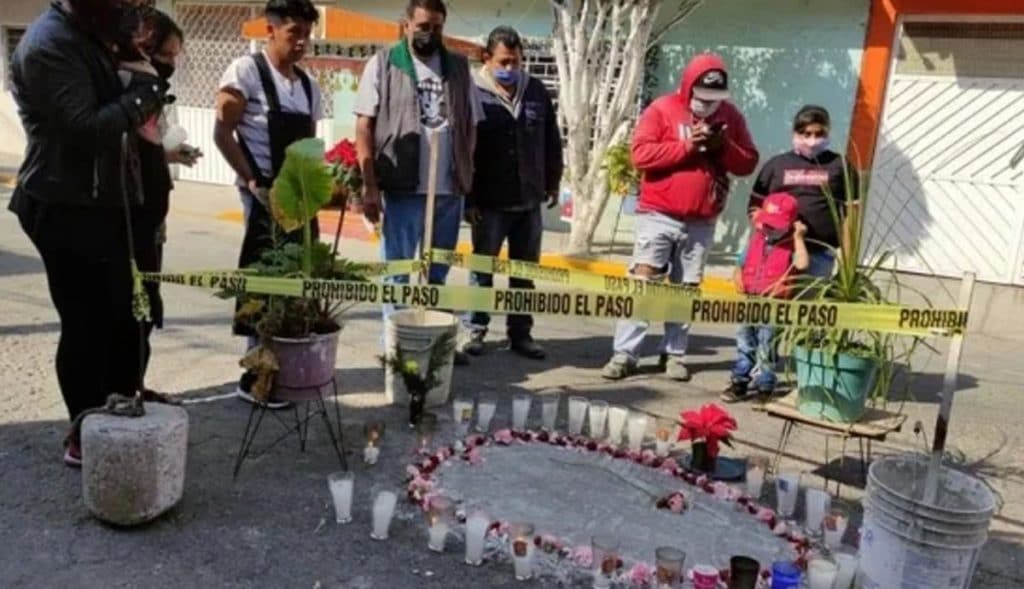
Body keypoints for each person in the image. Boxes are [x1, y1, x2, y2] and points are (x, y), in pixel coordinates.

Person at [8, 0, 170, 466]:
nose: (129, 6)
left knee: (127, 314)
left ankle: (119, 404)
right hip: (64, 205)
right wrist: (144, 95)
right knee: (86, 324)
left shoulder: (92, 31)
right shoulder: (48, 44)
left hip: (107, 201)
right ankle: (85, 430)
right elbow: (85, 128)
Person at [601, 53, 759, 382]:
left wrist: (721, 146)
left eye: (714, 100)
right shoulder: (662, 109)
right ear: (688, 88)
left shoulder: (731, 116)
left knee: (685, 290)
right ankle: (625, 353)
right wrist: (688, 145)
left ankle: (673, 354)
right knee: (643, 284)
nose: (707, 105)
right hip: (658, 214)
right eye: (702, 98)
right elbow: (641, 155)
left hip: (701, 221)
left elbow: (747, 162)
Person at [353, 0, 483, 363]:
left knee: (437, 272)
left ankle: (435, 340)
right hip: (403, 186)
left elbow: (471, 123)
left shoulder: (458, 66)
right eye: (424, 25)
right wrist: (370, 184)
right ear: (406, 24)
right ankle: (396, 345)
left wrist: (464, 166)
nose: (430, 34)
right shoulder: (383, 63)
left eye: (437, 27)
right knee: (398, 272)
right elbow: (365, 126)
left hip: (448, 188)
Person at [214, 0, 323, 407]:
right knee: (261, 283)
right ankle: (253, 376)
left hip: (300, 200)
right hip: (263, 196)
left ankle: (286, 368)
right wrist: (252, 179)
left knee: (297, 283)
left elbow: (309, 146)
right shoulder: (246, 72)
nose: (301, 42)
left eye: (307, 34)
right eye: (294, 32)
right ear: (270, 30)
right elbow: (222, 133)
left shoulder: (308, 86)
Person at [460, 26, 563, 360]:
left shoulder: (535, 90)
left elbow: (551, 138)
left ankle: (521, 335)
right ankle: (475, 331)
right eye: (504, 61)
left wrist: (553, 179)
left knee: (524, 275)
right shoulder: (472, 92)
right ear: (487, 59)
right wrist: (468, 199)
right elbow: (464, 150)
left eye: (517, 61)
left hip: (529, 199)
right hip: (488, 202)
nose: (511, 68)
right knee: (482, 272)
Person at [128, 10, 201, 381]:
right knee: (132, 308)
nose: (171, 64)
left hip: (153, 220)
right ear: (143, 49)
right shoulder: (131, 91)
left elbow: (151, 147)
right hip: (130, 220)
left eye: (175, 56)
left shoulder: (151, 94)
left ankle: (136, 386)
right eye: (166, 56)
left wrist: (172, 154)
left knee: (147, 306)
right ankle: (123, 391)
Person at [748, 105, 857, 279]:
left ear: (828, 133)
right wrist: (760, 245)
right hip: (777, 252)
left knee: (809, 303)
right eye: (806, 134)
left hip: (820, 256)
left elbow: (851, 218)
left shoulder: (840, 166)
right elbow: (755, 209)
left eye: (819, 134)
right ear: (795, 133)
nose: (812, 140)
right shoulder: (776, 165)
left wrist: (847, 264)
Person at [721, 193, 809, 403]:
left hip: (773, 305)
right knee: (744, 341)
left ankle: (765, 384)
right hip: (750, 300)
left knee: (767, 345)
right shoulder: (757, 238)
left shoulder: (792, 244)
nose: (769, 228)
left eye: (775, 225)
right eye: (766, 223)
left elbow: (803, 264)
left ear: (792, 224)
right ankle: (740, 380)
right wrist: (737, 276)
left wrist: (798, 238)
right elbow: (741, 262)